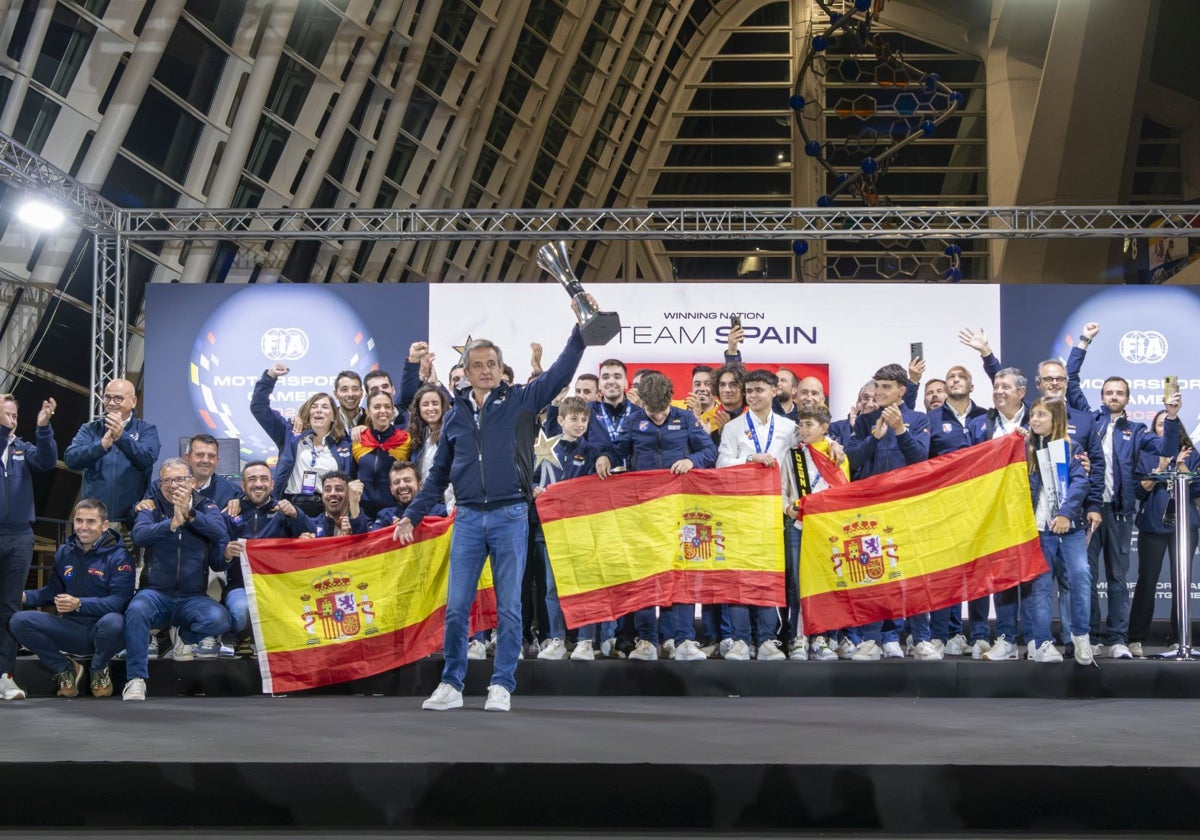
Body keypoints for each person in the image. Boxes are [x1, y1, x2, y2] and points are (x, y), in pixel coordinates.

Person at [394, 318, 588, 713]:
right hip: (466, 518)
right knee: (456, 606)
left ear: (501, 369)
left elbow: (561, 372)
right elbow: (436, 477)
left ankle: (501, 684)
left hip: (510, 516)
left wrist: (580, 331)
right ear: (465, 373)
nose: (485, 371)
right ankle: (451, 683)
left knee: (510, 607)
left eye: (492, 364)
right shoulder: (453, 416)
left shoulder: (521, 401)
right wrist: (411, 515)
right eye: (477, 365)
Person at [1066, 321, 1180, 659]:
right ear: (1102, 397)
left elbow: (1167, 448)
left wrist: (1172, 417)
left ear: (1128, 399)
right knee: (1085, 577)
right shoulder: (1089, 419)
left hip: (1118, 512)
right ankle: (1091, 636)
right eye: (1109, 392)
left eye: (1120, 393)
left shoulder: (1138, 429)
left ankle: (1117, 639)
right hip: (1087, 510)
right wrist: (1084, 341)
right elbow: (1071, 379)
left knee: (1117, 578)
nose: (1114, 397)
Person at [597, 372, 718, 661]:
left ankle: (685, 639)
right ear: (643, 406)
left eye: (663, 411)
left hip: (681, 509)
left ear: (670, 401)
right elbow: (617, 450)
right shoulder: (633, 420)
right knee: (645, 577)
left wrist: (692, 460)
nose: (659, 417)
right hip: (643, 510)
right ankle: (647, 641)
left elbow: (710, 451)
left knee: (682, 575)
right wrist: (605, 458)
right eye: (652, 413)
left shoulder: (685, 418)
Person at [123, 459, 231, 701]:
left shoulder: (207, 506)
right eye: (167, 480)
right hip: (156, 593)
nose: (174, 485)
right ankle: (136, 679)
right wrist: (170, 524)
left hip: (193, 597)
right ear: (160, 484)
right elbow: (139, 535)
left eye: (180, 479)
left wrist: (190, 515)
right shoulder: (151, 507)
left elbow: (220, 532)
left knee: (221, 619)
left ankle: (184, 637)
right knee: (136, 610)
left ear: (192, 482)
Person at [846, 363, 930, 660]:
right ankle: (871, 639)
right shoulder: (865, 420)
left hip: (908, 509)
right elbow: (852, 461)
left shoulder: (919, 419)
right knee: (873, 573)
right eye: (877, 386)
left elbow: (921, 460)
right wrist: (875, 437)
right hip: (872, 510)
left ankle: (920, 639)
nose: (878, 392)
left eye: (886, 387)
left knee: (913, 576)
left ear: (901, 391)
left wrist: (899, 431)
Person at [10, 499, 134, 698]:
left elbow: (120, 601)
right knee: (19, 620)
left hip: (105, 633)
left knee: (114, 621)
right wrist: (24, 596)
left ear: (104, 525)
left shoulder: (121, 557)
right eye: (79, 520)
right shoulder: (64, 552)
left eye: (91, 521)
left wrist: (80, 604)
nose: (83, 527)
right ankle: (65, 668)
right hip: (71, 631)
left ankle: (99, 670)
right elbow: (52, 593)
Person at [716, 370, 799, 661]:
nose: (753, 395)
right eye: (749, 390)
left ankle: (766, 640)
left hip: (777, 514)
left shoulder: (789, 428)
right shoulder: (734, 427)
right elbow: (722, 463)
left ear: (774, 391)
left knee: (768, 578)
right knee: (740, 577)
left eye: (759, 390)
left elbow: (800, 462)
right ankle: (741, 640)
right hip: (742, 514)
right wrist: (749, 459)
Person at [1018, 397, 1091, 664]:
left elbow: (1080, 484)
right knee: (1040, 588)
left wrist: (1064, 514)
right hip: (1038, 530)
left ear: (1056, 419)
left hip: (1069, 528)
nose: (1034, 419)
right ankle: (1042, 642)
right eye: (1032, 415)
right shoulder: (1024, 448)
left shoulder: (1072, 448)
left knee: (1080, 577)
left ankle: (1081, 637)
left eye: (1040, 415)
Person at [529, 396, 600, 660]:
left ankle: (585, 640)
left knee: (584, 585)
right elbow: (531, 479)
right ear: (560, 420)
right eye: (573, 418)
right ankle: (557, 638)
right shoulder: (544, 449)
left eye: (584, 419)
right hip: (550, 529)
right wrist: (535, 489)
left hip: (581, 530)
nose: (579, 424)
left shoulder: (592, 452)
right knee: (552, 587)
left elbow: (595, 489)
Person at [0, 394, 59, 701]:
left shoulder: (22, 447)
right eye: (6, 414)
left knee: (10, 608)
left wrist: (44, 427)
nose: (12, 419)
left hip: (20, 535)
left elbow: (47, 462)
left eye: (14, 414)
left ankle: (4, 675)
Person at [222, 462, 315, 656]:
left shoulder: (284, 511)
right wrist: (227, 554)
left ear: (272, 484)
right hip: (241, 586)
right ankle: (243, 638)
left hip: (278, 586)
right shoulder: (231, 513)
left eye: (264, 479)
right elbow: (216, 557)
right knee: (241, 611)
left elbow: (313, 534)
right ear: (243, 485)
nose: (258, 484)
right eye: (252, 479)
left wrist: (297, 514)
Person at [1129, 410, 1199, 656]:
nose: (1162, 429)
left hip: (1185, 525)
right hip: (1153, 525)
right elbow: (1138, 491)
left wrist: (1181, 465)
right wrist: (1161, 467)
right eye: (1158, 425)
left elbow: (1197, 490)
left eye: (1166, 425)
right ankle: (1136, 638)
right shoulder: (1146, 453)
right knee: (1147, 580)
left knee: (1182, 581)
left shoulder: (1191, 453)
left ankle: (1179, 639)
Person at [792, 404, 852, 661]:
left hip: (825, 529)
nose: (804, 430)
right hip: (798, 526)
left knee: (826, 583)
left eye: (810, 425)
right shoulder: (792, 454)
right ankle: (799, 637)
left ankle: (822, 637)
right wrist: (788, 507)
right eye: (801, 425)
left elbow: (842, 492)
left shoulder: (837, 456)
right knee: (798, 584)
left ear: (825, 429)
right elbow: (784, 485)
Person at [64, 379, 160, 537]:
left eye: (118, 398)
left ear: (133, 401)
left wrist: (122, 437)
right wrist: (100, 446)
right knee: (91, 562)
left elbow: (147, 458)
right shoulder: (90, 429)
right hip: (94, 520)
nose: (111, 403)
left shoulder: (146, 430)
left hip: (129, 521)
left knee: (126, 563)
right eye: (107, 398)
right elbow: (71, 459)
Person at [251, 366, 353, 516]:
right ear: (308, 413)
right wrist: (270, 377)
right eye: (314, 407)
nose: (319, 410)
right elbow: (258, 408)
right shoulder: (290, 433)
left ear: (333, 416)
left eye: (325, 407)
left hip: (328, 510)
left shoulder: (344, 444)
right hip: (289, 506)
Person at [353, 391, 413, 518]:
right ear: (368, 412)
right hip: (363, 513)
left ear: (392, 411)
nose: (382, 411)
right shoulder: (358, 439)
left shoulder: (405, 440)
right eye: (377, 407)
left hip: (394, 513)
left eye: (387, 407)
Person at [406, 383, 456, 512]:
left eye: (435, 403)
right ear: (418, 409)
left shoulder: (452, 435)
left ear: (443, 406)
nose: (431, 408)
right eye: (425, 404)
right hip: (425, 502)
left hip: (448, 503)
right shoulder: (418, 437)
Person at [370, 461, 446, 529]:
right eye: (397, 482)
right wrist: (391, 532)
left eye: (407, 480)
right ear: (391, 490)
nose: (402, 486)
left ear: (420, 485)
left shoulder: (440, 511)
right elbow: (373, 541)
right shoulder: (385, 516)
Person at [309, 472, 369, 537]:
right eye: (327, 490)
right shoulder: (312, 526)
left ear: (349, 494)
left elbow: (365, 541)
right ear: (322, 495)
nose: (332, 493)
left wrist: (354, 503)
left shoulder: (366, 523)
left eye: (339, 489)